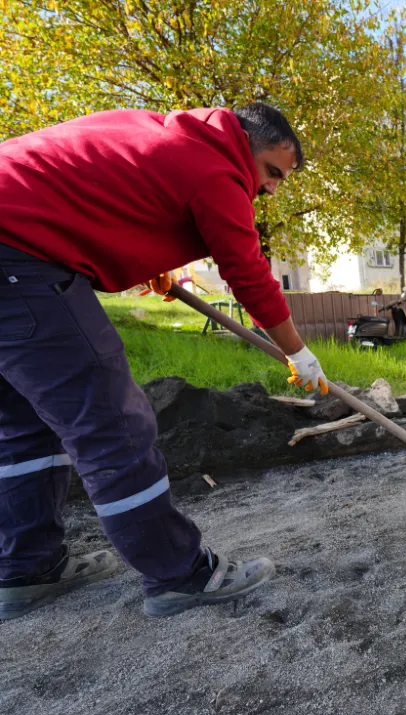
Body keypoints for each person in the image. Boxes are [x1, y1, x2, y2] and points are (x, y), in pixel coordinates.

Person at [0, 103, 330, 620]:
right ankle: (181, 574)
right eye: (271, 172)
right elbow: (248, 273)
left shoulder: (166, 132)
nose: (269, 190)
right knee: (111, 421)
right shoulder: (218, 169)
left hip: (13, 244)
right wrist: (299, 352)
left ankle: (27, 569)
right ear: (246, 142)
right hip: (18, 258)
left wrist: (147, 258)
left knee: (24, 426)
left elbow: (111, 190)